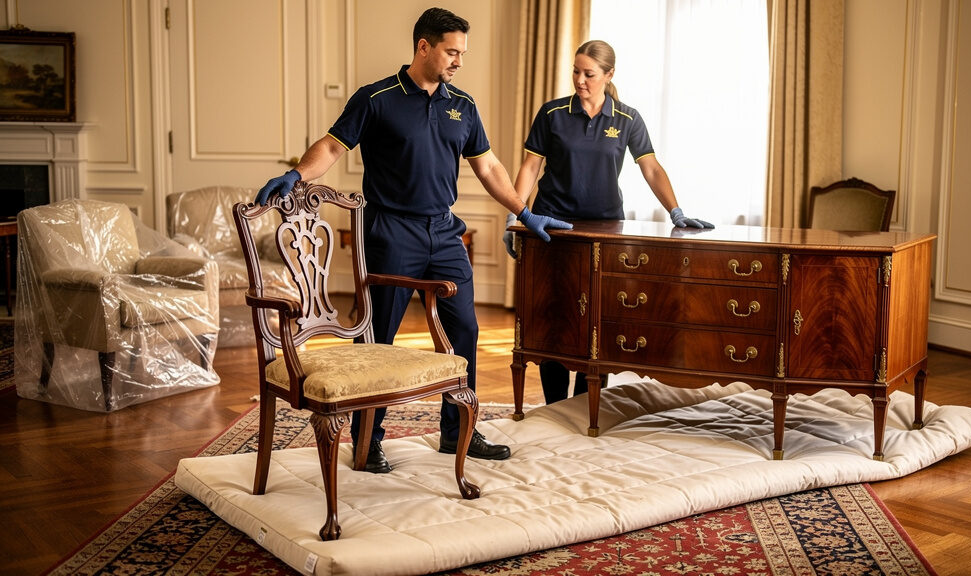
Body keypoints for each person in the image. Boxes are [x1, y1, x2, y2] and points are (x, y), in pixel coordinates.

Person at [255, 8, 571, 474]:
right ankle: (368, 440)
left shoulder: (462, 105)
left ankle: (456, 430)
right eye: (451, 51)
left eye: (462, 52)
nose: (459, 61)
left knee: (465, 332)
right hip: (390, 231)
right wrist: (297, 174)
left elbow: (488, 167)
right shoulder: (377, 98)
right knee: (379, 339)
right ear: (424, 46)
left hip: (444, 233)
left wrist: (522, 211)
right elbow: (332, 146)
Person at [507, 39, 714, 404]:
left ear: (609, 75)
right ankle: (556, 407)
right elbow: (530, 166)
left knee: (596, 322)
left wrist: (676, 211)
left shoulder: (628, 118)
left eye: (589, 74)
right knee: (553, 319)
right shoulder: (552, 114)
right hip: (551, 228)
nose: (580, 80)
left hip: (605, 232)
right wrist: (515, 212)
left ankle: (587, 405)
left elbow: (650, 168)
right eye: (576, 71)